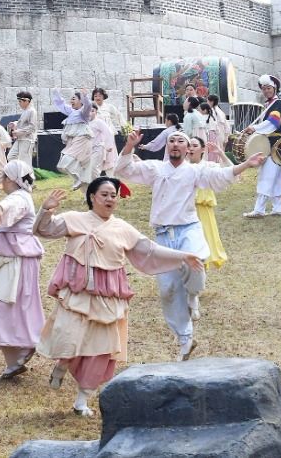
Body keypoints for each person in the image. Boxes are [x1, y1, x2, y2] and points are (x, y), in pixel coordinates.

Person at [34, 179, 204, 416]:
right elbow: (43, 230)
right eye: (104, 194)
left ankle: (81, 401)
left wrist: (182, 256)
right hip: (78, 294)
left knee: (101, 350)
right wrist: (46, 209)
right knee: (69, 337)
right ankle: (62, 363)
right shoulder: (74, 219)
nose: (110, 199)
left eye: (113, 195)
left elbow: (150, 250)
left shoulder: (123, 228)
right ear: (92, 196)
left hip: (109, 296)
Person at [115, 129, 262, 359]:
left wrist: (246, 164)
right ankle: (185, 339)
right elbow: (124, 170)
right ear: (167, 146)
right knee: (167, 290)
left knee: (195, 260)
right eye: (171, 141)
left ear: (188, 149)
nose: (175, 144)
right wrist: (129, 146)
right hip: (163, 235)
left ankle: (194, 294)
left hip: (188, 228)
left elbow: (220, 178)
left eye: (180, 141)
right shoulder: (155, 169)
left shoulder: (194, 171)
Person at [0, 160, 45, 379]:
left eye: (4, 177)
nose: (2, 181)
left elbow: (13, 207)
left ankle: (26, 345)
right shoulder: (17, 197)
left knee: (5, 304)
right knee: (3, 305)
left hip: (15, 260)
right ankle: (14, 361)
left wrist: (0, 206)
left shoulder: (20, 197)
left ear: (12, 179)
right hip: (9, 259)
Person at [242, 74, 281, 218]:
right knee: (275, 178)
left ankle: (259, 209)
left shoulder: (278, 104)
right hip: (277, 146)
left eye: (268, 88)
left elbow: (274, 123)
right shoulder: (271, 105)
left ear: (274, 88)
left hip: (274, 146)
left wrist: (255, 128)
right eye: (264, 89)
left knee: (267, 177)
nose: (266, 91)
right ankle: (277, 208)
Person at [186, 136, 230, 269]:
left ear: (203, 149)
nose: (191, 148)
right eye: (189, 146)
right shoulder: (182, 167)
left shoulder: (209, 166)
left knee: (204, 240)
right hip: (185, 210)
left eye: (194, 145)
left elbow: (230, 171)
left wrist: (221, 154)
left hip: (204, 212)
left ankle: (200, 270)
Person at [51, 88, 93, 190]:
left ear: (80, 101)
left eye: (74, 99)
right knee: (61, 166)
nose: (71, 101)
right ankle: (79, 180)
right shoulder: (71, 111)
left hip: (81, 140)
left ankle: (81, 179)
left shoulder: (83, 113)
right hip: (72, 141)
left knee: (66, 162)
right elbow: (61, 105)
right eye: (71, 99)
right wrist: (56, 93)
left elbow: (88, 106)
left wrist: (85, 96)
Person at [8, 91, 37, 167]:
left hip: (27, 140)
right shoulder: (26, 111)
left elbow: (32, 127)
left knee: (25, 162)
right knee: (10, 156)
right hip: (20, 139)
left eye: (20, 101)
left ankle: (27, 177)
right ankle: (20, 174)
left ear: (27, 101)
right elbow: (23, 123)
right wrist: (14, 123)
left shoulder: (32, 111)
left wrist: (18, 132)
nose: (19, 103)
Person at [88, 105, 117, 179]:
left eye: (92, 111)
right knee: (88, 170)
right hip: (87, 150)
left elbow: (108, 133)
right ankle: (94, 186)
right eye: (88, 111)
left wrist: (109, 145)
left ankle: (97, 186)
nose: (90, 113)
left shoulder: (98, 122)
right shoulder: (84, 123)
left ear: (96, 112)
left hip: (98, 149)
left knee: (93, 168)